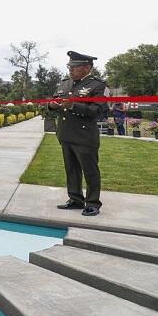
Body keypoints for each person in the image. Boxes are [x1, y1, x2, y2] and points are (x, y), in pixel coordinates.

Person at [48, 51, 109, 217]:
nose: (70, 69)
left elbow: (98, 110)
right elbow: (54, 101)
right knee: (71, 169)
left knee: (90, 170)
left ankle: (92, 203)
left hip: (84, 136)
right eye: (70, 66)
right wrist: (52, 105)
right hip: (65, 134)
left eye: (74, 66)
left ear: (87, 67)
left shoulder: (98, 86)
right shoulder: (64, 83)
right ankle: (75, 198)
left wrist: (73, 105)